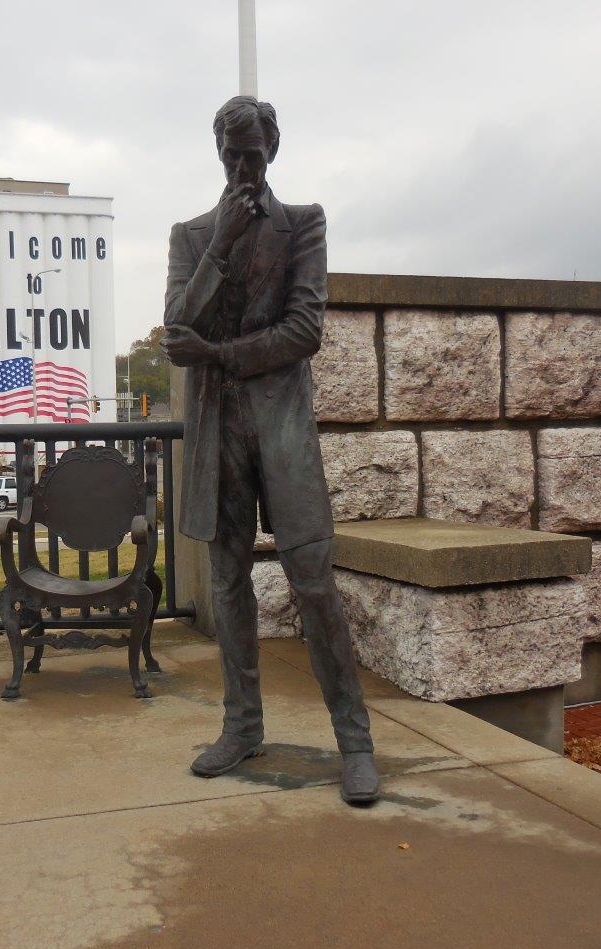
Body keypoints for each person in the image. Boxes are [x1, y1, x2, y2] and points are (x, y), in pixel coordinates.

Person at [162, 95, 378, 805]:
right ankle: (241, 726)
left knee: (313, 583)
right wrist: (221, 245)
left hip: (282, 429)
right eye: (231, 154)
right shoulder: (193, 237)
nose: (243, 165)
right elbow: (175, 331)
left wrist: (218, 353)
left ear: (272, 149)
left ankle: (355, 743)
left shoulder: (304, 225)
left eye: (253, 153)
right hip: (219, 439)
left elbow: (303, 330)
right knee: (226, 585)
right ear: (217, 152)